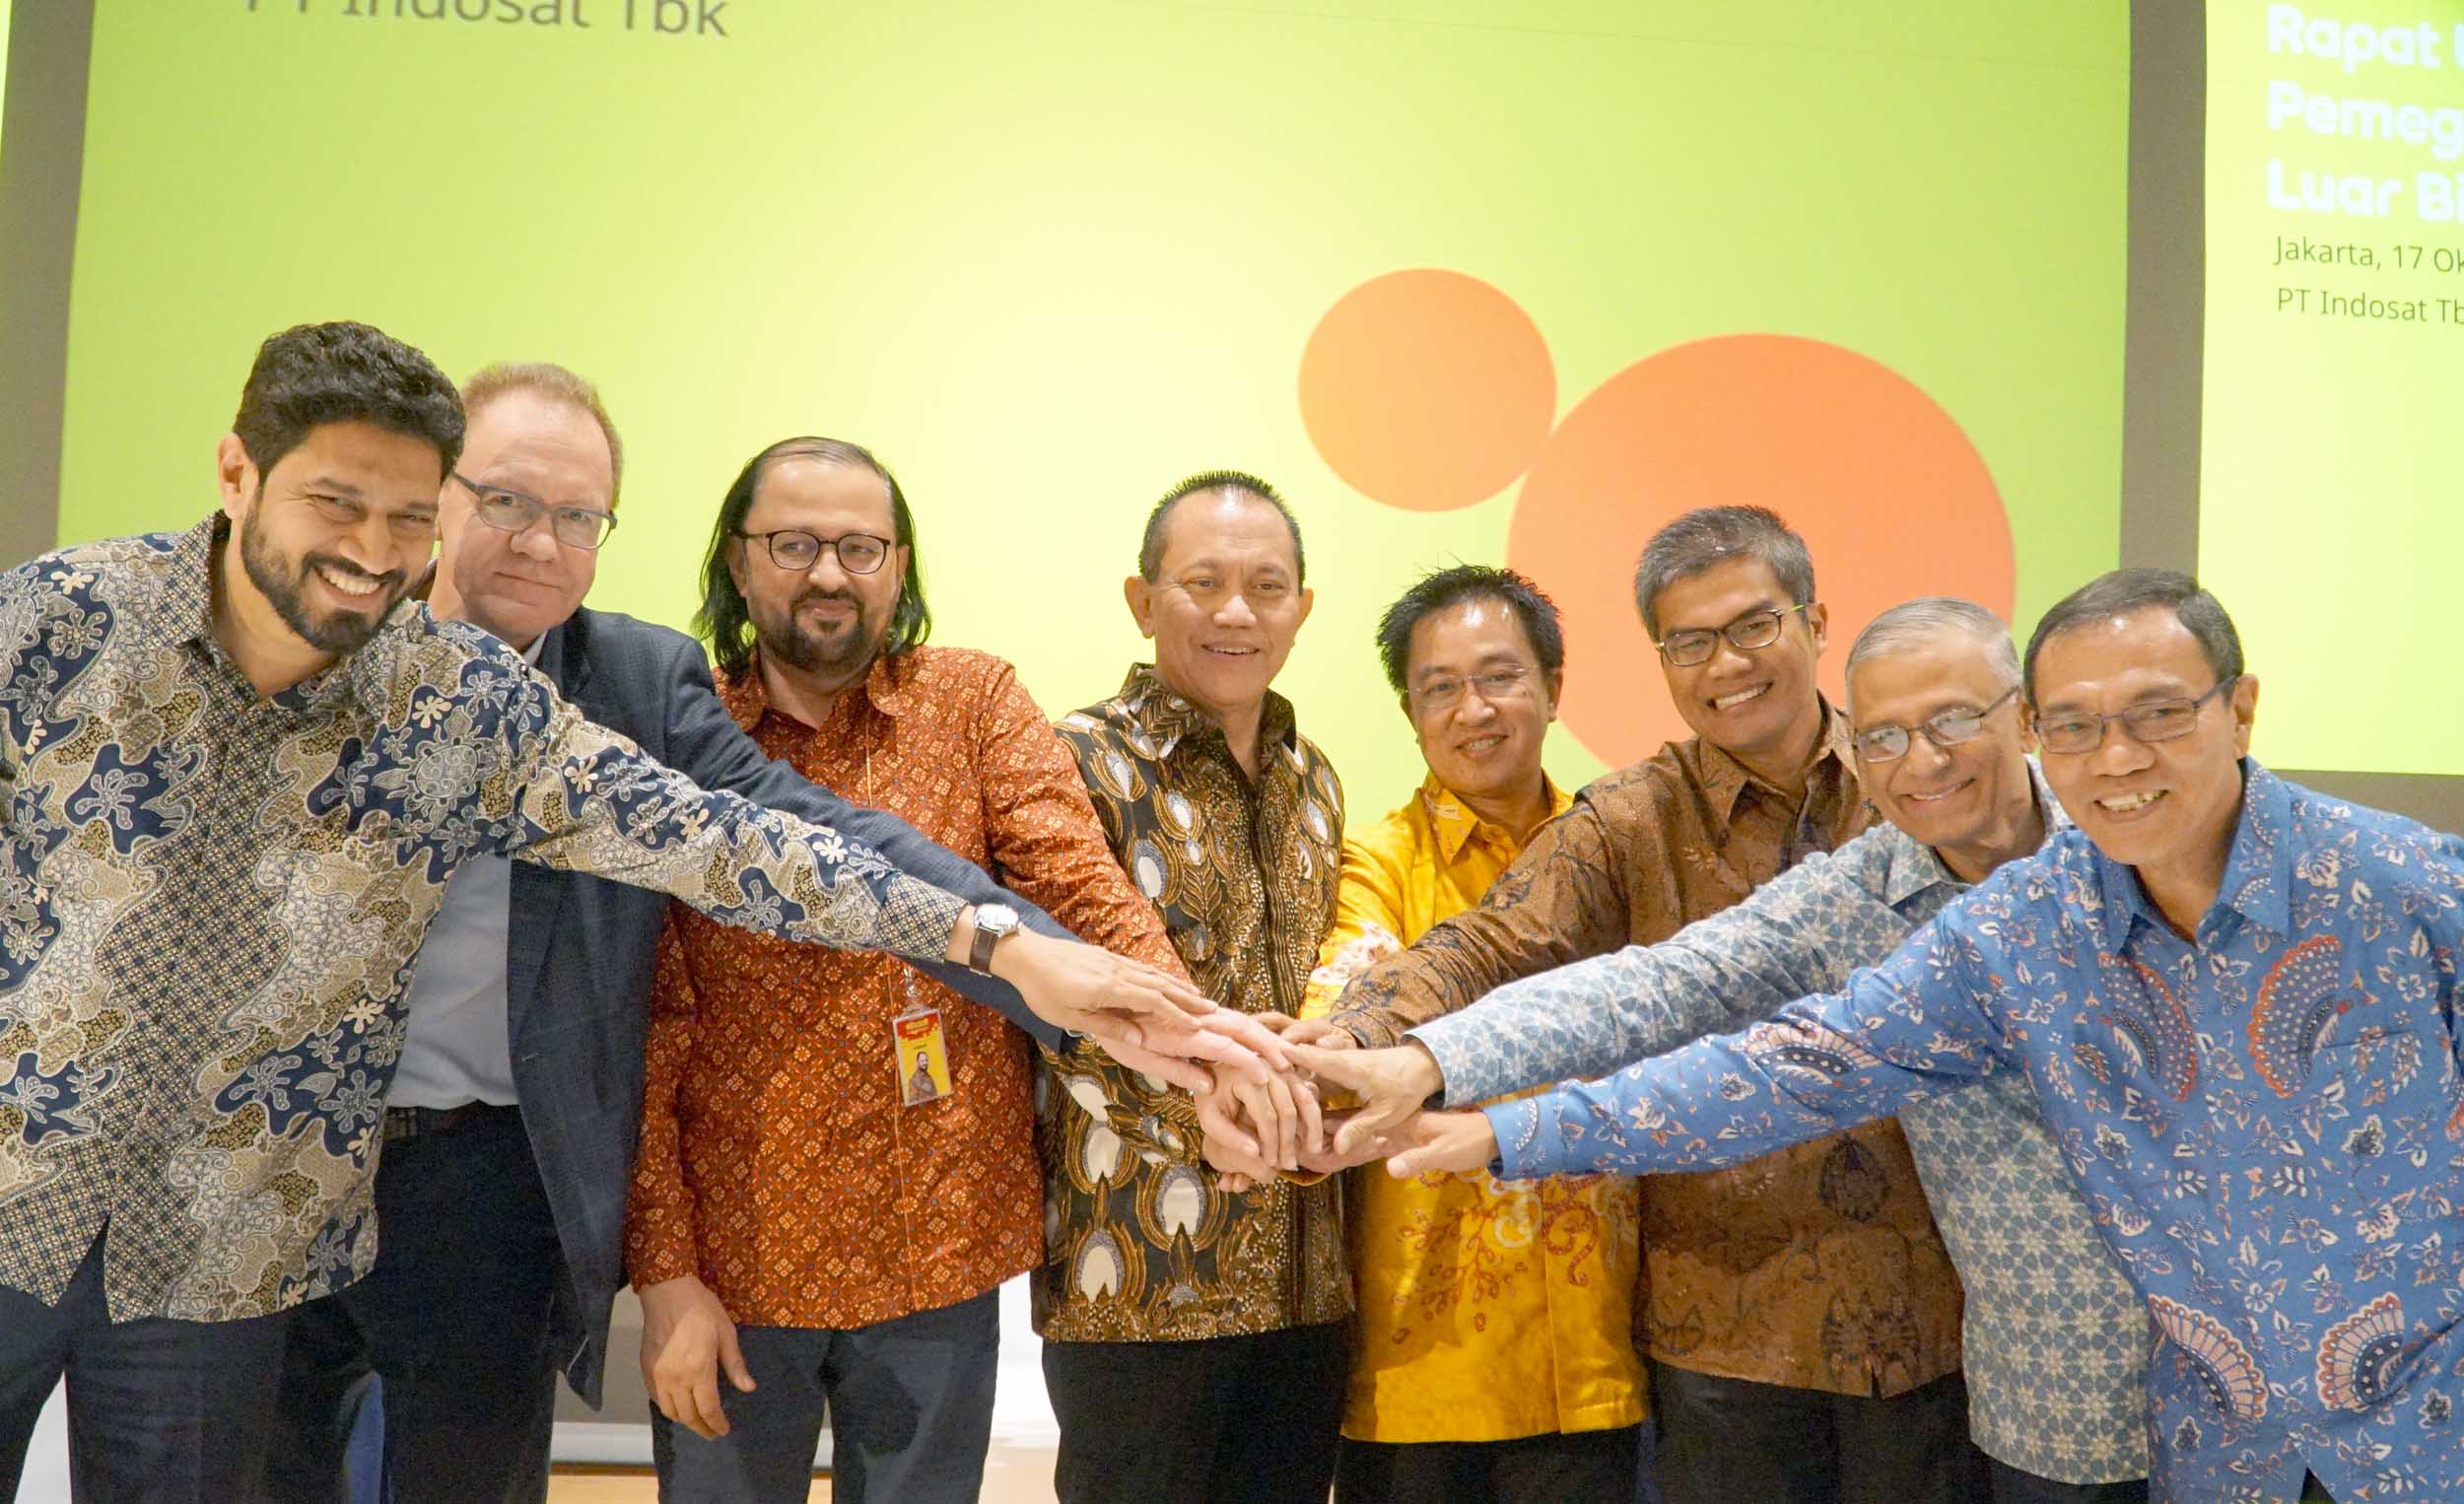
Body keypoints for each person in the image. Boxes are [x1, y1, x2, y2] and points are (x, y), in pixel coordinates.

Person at [0, 322, 1238, 1504]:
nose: (375, 549)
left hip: (311, 1216)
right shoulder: (65, 620)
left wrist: (1008, 946)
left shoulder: (466, 702)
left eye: (572, 516)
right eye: (344, 504)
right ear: (239, 473)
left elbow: (737, 837)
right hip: (77, 1170)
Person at [1386, 570, 2460, 1504]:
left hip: (2423, 1432)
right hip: (2144, 1434)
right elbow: (1777, 1059)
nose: (2118, 755)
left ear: (2241, 709)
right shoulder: (2018, 931)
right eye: (2078, 724)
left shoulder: (2404, 889)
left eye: (2159, 713)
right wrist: (1485, 1108)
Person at [1303, 597, 2154, 1502]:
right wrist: (1427, 1065)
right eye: (1886, 738)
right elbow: (1671, 999)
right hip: (2046, 1410)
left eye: (1953, 720)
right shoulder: (1856, 896)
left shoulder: (2139, 845)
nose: (1923, 760)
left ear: (2024, 717)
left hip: (2215, 1388)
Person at [623, 438, 1228, 1502]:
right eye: (794, 544)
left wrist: (1193, 1034)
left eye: (860, 547)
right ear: (737, 561)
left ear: (899, 566)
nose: (828, 573)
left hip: (941, 1242)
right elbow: (644, 1021)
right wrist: (667, 1274)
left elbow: (1077, 883)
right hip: (737, 1256)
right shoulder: (682, 733)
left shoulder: (970, 701)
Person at [1299, 566, 1647, 1502]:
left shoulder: (1624, 852)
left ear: (1554, 687)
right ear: (1411, 714)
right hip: (1423, 1365)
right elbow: (1351, 1000)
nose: (1474, 709)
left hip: (1604, 1350)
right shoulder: (1376, 862)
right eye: (1440, 687)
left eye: (1499, 677)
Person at [1035, 471, 1350, 1504]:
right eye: (1202, 582)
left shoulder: (1317, 782)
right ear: (1143, 600)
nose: (1236, 612)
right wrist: (1201, 1123)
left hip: (1309, 1280)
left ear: (1302, 608)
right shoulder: (1072, 764)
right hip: (1135, 1279)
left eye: (1266, 586)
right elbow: (1049, 1011)